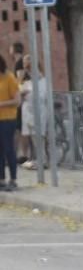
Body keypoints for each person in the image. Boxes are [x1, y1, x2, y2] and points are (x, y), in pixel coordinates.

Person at [18, 54, 48, 173]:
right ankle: (38, 159)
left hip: (37, 108)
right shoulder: (25, 75)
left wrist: (25, 91)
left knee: (38, 135)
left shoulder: (38, 76)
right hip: (28, 108)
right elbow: (19, 86)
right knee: (32, 135)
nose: (24, 64)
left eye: (26, 62)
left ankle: (43, 160)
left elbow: (39, 91)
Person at [0, 54, 19, 192]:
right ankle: (1, 179)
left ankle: (13, 179)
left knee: (8, 149)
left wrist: (1, 104)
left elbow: (17, 100)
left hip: (8, 119)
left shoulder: (9, 78)